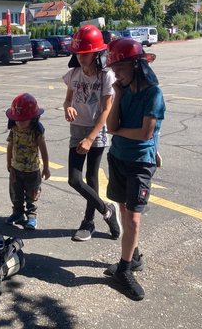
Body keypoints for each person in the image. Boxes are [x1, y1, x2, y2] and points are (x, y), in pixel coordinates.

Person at [104, 38, 166, 301]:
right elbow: (111, 125)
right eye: (114, 70)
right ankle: (135, 255)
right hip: (118, 157)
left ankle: (125, 269)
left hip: (140, 162)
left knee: (133, 219)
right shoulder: (124, 90)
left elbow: (144, 133)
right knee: (122, 208)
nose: (116, 75)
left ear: (137, 65)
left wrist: (118, 131)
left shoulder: (153, 94)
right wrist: (117, 94)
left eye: (120, 69)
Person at [62, 25, 121, 242]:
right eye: (78, 53)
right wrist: (67, 106)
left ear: (97, 52)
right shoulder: (73, 74)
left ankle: (89, 221)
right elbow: (68, 99)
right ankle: (107, 210)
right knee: (74, 180)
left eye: (86, 53)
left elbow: (107, 109)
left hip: (97, 131)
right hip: (77, 129)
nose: (81, 57)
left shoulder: (106, 76)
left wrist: (91, 137)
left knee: (91, 177)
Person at [5, 93, 50, 230]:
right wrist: (8, 162)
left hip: (32, 170)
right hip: (16, 168)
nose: (19, 122)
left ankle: (31, 215)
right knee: (15, 193)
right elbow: (10, 145)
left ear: (33, 118)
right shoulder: (14, 129)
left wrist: (46, 167)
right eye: (17, 119)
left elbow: (43, 149)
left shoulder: (36, 131)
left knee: (32, 194)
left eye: (23, 120)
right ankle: (17, 213)